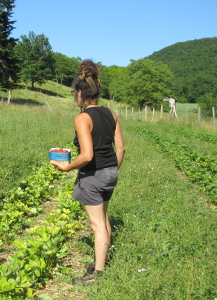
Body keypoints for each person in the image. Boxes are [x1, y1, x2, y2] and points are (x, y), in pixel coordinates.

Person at [51, 60, 125, 285]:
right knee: (104, 218)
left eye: (75, 93)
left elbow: (86, 155)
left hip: (93, 176)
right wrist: (112, 170)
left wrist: (67, 166)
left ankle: (97, 275)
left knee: (97, 225)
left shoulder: (83, 118)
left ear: (80, 93)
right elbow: (120, 148)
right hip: (111, 171)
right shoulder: (110, 113)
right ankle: (104, 259)